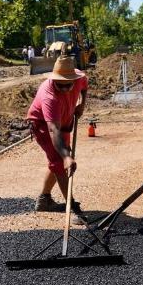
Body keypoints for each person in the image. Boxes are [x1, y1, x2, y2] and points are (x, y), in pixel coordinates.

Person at [26, 56, 88, 224]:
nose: (65, 88)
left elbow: (84, 85)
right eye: (60, 85)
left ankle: (44, 200)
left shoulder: (79, 77)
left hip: (64, 121)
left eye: (69, 84)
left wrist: (81, 105)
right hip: (44, 126)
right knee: (60, 161)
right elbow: (53, 130)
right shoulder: (49, 97)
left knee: (57, 162)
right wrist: (67, 157)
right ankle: (72, 207)